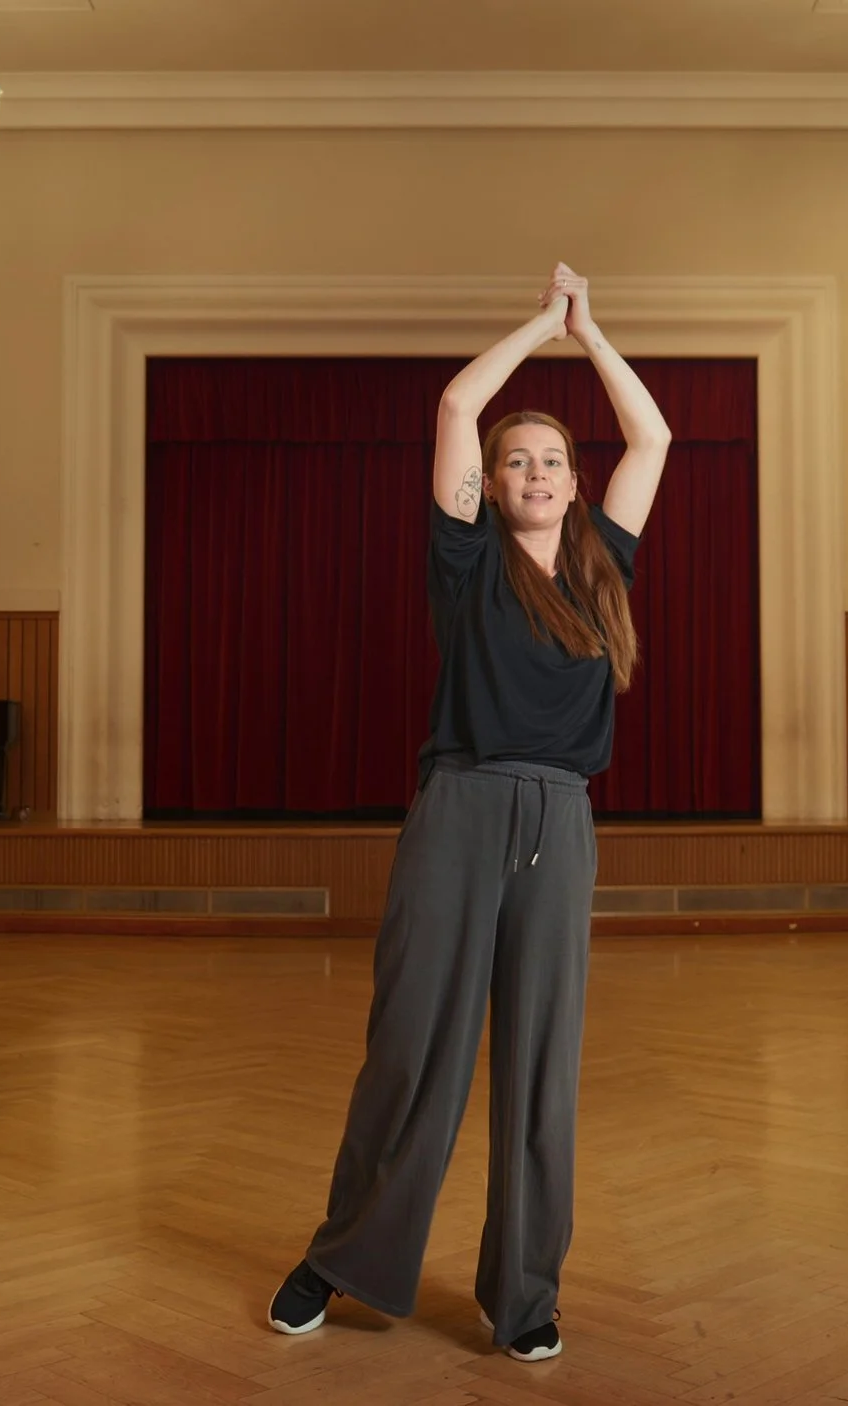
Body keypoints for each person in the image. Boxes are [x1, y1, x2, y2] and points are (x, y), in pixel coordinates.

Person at [266, 264, 673, 1363]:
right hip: (459, 807)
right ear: (489, 485)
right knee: (413, 1046)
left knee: (542, 1062)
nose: (535, 471)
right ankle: (342, 1258)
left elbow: (653, 436)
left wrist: (594, 336)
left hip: (560, 819)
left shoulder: (603, 564)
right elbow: (457, 401)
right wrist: (543, 325)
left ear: (575, 484)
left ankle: (524, 1292)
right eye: (516, 460)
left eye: (552, 460)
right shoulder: (464, 559)